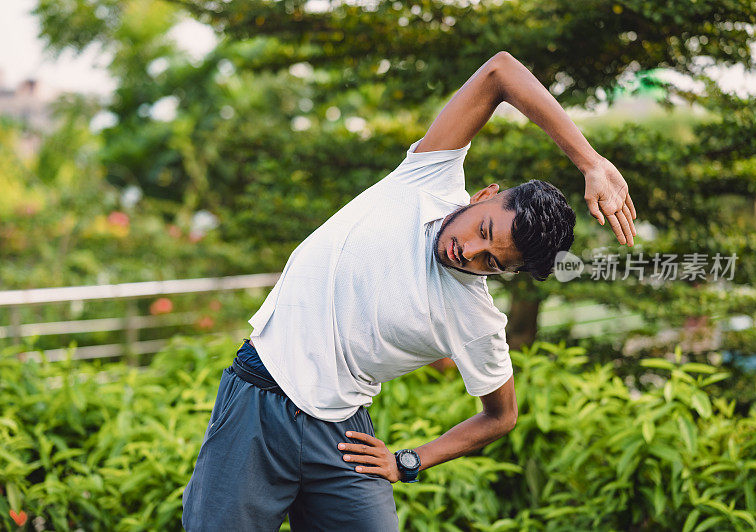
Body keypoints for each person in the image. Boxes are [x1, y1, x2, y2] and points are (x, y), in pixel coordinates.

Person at [182, 50, 637, 531]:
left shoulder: (475, 319)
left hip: (341, 433)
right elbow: (500, 71)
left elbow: (500, 416)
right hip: (259, 395)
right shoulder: (427, 177)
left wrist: (410, 461)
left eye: (492, 261)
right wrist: (590, 162)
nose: (470, 252)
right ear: (484, 195)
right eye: (482, 230)